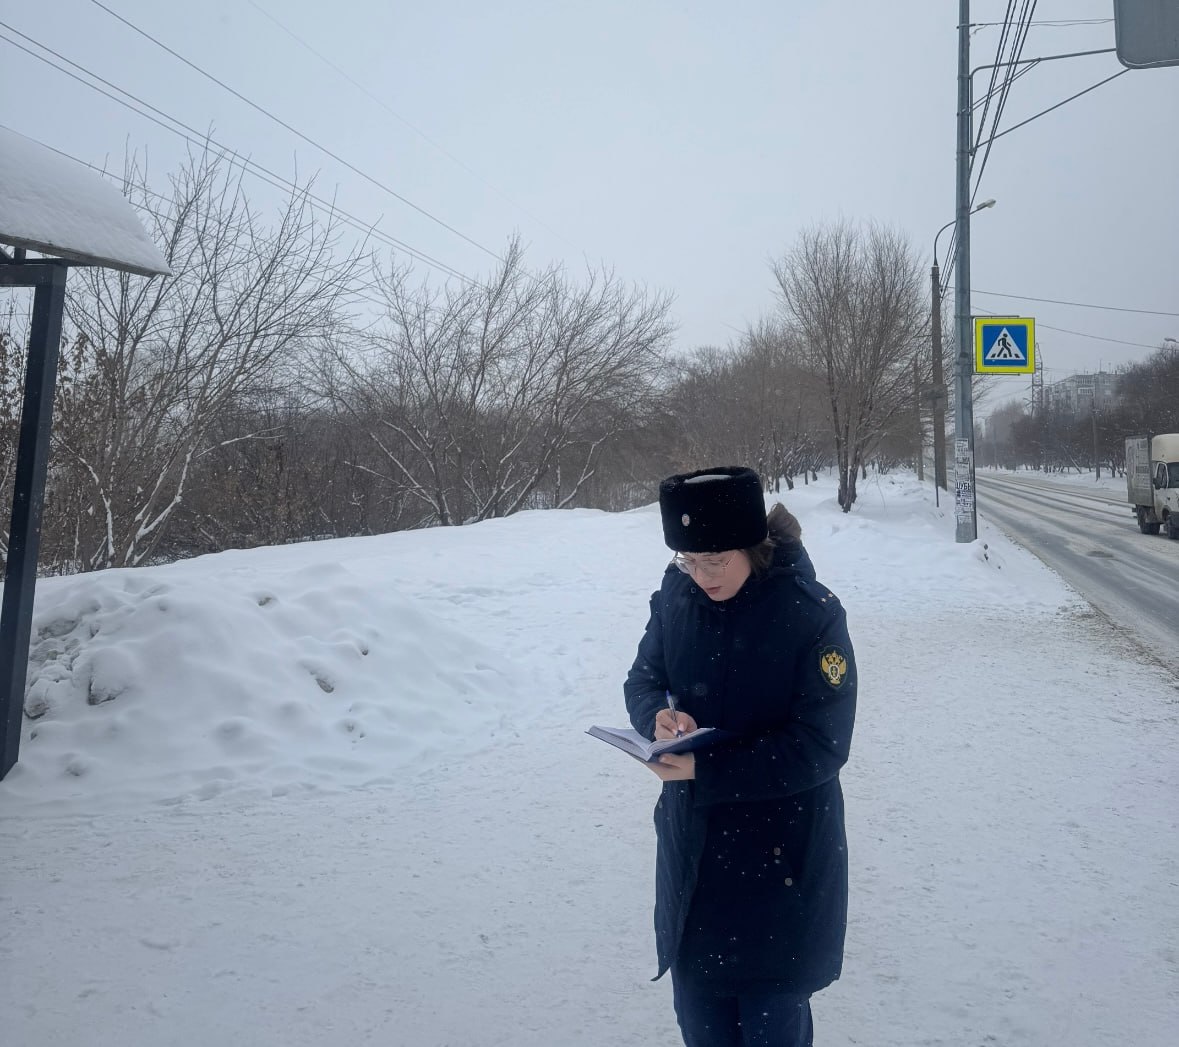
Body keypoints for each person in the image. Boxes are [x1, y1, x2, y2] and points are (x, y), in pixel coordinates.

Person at [623, 466, 857, 1047]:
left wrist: (708, 767)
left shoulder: (811, 613)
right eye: (688, 560)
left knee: (772, 1023)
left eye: (715, 560)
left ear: (752, 544)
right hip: (695, 857)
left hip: (781, 860)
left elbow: (821, 744)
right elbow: (644, 676)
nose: (700, 576)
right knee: (702, 1026)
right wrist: (657, 714)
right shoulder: (678, 595)